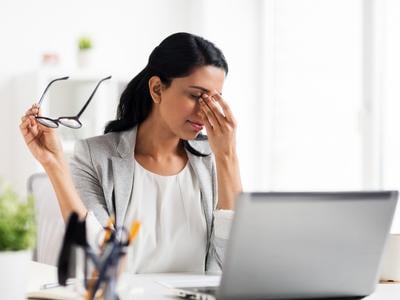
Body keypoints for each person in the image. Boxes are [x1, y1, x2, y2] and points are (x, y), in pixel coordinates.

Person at [20, 32, 242, 273]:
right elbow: (100, 257)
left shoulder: (213, 160)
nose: (205, 112)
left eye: (214, 99)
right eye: (196, 96)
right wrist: (55, 165)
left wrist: (227, 155)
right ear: (157, 89)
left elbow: (233, 262)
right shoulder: (94, 156)